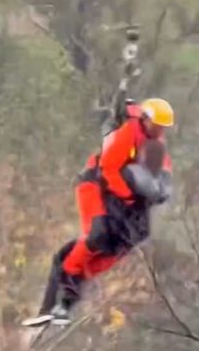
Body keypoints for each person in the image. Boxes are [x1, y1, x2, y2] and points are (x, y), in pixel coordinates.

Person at [21, 98, 175, 326]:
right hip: (96, 186)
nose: (159, 130)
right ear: (146, 119)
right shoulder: (128, 133)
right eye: (156, 125)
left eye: (163, 127)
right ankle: (67, 274)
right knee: (97, 234)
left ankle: (68, 294)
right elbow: (110, 170)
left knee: (122, 243)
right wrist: (129, 196)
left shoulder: (156, 143)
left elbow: (163, 170)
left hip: (122, 197)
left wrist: (159, 191)